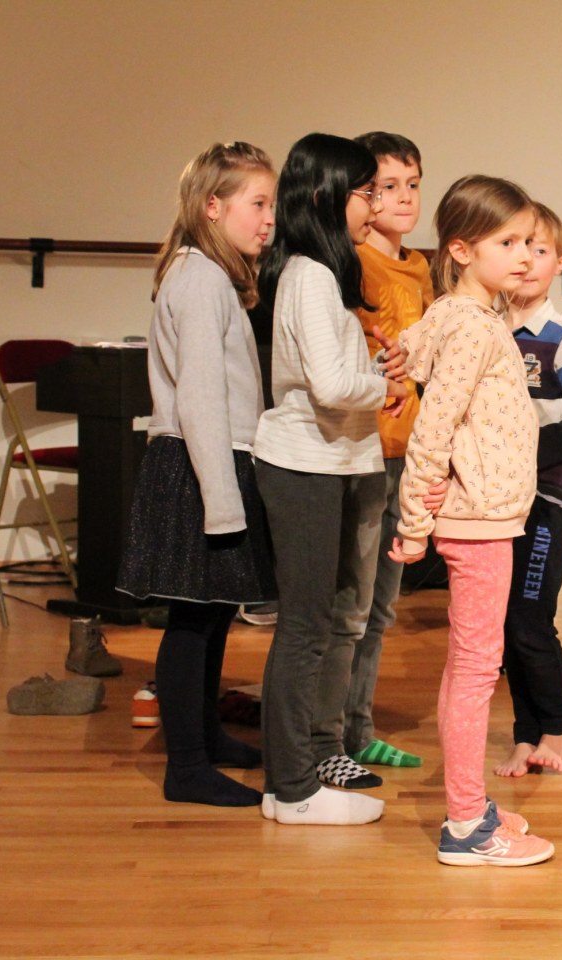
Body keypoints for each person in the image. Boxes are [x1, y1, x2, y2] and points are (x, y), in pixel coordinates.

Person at [387, 175, 552, 866]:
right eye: (505, 242)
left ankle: (471, 804)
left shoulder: (463, 319)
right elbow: (434, 426)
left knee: (470, 668)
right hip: (478, 522)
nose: (522, 255)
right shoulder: (473, 329)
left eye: (528, 242)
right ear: (460, 249)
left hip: (487, 515)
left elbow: (416, 352)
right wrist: (413, 518)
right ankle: (464, 827)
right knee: (478, 672)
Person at [116, 141, 279, 807]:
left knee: (211, 618)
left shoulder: (209, 276)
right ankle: (186, 767)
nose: (268, 219)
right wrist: (222, 503)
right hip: (198, 464)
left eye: (271, 205)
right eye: (257, 204)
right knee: (191, 620)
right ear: (213, 206)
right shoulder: (200, 279)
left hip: (208, 461)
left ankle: (206, 738)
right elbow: (201, 400)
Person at [253, 133, 409, 826]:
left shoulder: (320, 270)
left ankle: (306, 766)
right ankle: (291, 788)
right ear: (326, 196)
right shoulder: (310, 274)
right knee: (306, 629)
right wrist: (389, 381)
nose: (375, 205)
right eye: (367, 192)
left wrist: (377, 375)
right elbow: (330, 382)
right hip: (304, 464)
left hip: (333, 461)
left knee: (320, 622)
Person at [493, 202, 562, 778]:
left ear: (560, 263)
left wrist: (517, 454)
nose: (527, 261)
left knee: (530, 617)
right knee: (502, 621)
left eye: (541, 250)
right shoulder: (485, 330)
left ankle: (557, 722)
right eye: (516, 246)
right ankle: (523, 732)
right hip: (493, 503)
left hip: (546, 501)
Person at [346, 131, 434, 771]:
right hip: (364, 450)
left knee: (381, 604)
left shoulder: (421, 266)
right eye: (386, 186)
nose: (403, 198)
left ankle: (358, 724)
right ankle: (337, 731)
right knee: (350, 602)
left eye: (411, 184)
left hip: (410, 449)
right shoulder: (350, 263)